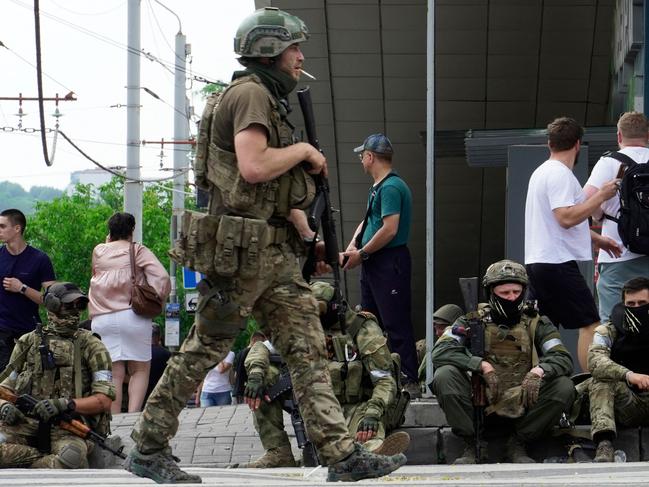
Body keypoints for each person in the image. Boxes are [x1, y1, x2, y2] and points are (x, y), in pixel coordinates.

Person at [124, 7, 405, 484]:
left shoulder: (265, 99)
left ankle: (341, 455)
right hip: (242, 255)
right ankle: (148, 447)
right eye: (295, 49)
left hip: (269, 254)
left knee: (308, 347)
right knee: (204, 348)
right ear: (270, 50)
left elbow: (268, 192)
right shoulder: (252, 95)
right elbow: (254, 167)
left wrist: (307, 235)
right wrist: (305, 152)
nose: (300, 58)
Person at [239, 281, 410, 468]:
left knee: (366, 438)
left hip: (360, 404)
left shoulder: (361, 329)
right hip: (321, 404)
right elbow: (261, 348)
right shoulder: (305, 326)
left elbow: (384, 380)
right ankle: (278, 452)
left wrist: (373, 413)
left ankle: (375, 453)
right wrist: (255, 375)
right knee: (265, 377)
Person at [431, 260, 574, 464]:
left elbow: (563, 357)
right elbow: (441, 352)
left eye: (516, 292)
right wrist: (480, 365)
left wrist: (539, 371)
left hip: (522, 398)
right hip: (480, 399)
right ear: (491, 292)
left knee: (564, 386)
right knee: (444, 375)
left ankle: (518, 443)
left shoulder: (536, 322)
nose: (512, 298)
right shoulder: (470, 320)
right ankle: (473, 443)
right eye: (505, 293)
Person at [524, 116, 620, 371]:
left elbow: (558, 221)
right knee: (591, 324)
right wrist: (601, 195)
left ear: (549, 143)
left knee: (543, 329)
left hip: (539, 261)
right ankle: (590, 385)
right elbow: (566, 217)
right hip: (556, 262)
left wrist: (598, 240)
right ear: (578, 144)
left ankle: (539, 380)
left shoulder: (542, 172)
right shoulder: (559, 174)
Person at [0, 282, 115, 468]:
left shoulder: (92, 346)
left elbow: (104, 400)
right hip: (25, 424)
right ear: (52, 306)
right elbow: (5, 388)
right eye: (69, 304)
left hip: (68, 426)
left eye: (80, 305)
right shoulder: (28, 342)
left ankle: (29, 463)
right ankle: (40, 461)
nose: (75, 310)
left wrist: (66, 404)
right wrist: (4, 406)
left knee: (72, 459)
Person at [341, 133, 420, 397]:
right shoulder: (379, 187)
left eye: (362, 155)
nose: (360, 159)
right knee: (368, 321)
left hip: (389, 261)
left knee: (395, 323)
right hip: (375, 261)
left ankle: (408, 378)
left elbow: (389, 229)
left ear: (370, 156)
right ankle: (376, 378)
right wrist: (354, 246)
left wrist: (361, 253)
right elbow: (369, 222)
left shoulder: (390, 187)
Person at [88, 212, 170, 414]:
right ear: (132, 230)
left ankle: (114, 418)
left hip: (102, 318)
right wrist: (159, 298)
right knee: (139, 369)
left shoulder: (99, 251)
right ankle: (132, 415)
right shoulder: (137, 250)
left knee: (114, 370)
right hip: (132, 315)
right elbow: (163, 278)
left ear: (110, 231)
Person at [584, 112, 649, 323]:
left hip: (617, 255)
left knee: (613, 324)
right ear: (647, 135)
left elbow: (586, 201)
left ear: (619, 136)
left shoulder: (609, 162)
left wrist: (598, 214)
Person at [580, 277, 649, 462]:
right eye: (631, 304)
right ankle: (604, 444)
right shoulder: (609, 330)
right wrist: (629, 375)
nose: (636, 308)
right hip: (627, 402)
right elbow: (595, 360)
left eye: (642, 303)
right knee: (600, 381)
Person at [0, 208, 56, 371]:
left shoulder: (40, 259)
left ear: (17, 228)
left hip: (28, 331)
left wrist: (22, 288)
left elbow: (52, 301)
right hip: (2, 331)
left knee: (26, 385)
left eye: (2, 226)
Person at [416, 303, 464, 382]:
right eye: (435, 328)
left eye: (442, 329)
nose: (437, 333)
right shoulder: (423, 347)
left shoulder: (464, 347)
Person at [144, 324, 171, 406]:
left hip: (142, 394)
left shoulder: (140, 354)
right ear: (159, 336)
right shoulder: (167, 354)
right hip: (161, 393)